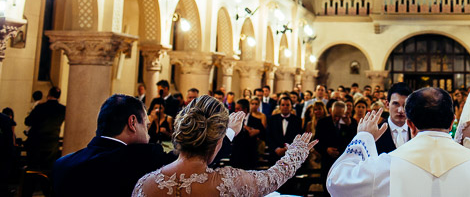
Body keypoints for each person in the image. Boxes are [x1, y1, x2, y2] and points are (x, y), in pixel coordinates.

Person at [327, 89, 470, 196]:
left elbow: (337, 183)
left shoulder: (386, 166)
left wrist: (363, 136)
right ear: (453, 121)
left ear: (410, 124)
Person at [52, 94, 238, 197]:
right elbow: (193, 163)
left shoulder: (62, 165)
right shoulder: (143, 158)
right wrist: (229, 133)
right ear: (133, 123)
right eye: (146, 126)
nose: (148, 135)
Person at [133, 95, 316, 196]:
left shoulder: (145, 184)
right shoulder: (227, 182)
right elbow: (273, 177)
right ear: (218, 140)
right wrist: (297, 153)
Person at [316, 101, 356, 189]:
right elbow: (317, 142)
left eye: (340, 116)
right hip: (327, 162)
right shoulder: (323, 122)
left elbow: (355, 142)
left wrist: (349, 126)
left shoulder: (351, 123)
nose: (337, 118)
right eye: (335, 115)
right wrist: (326, 149)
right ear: (331, 111)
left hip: (344, 163)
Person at [24, 86, 66, 169]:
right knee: (48, 168)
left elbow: (27, 121)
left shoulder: (40, 107)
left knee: (34, 167)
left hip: (36, 142)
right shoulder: (63, 109)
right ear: (59, 96)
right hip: (52, 144)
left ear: (48, 94)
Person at [376, 83, 411, 154]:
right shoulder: (376, 132)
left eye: (405, 105)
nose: (401, 110)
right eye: (396, 104)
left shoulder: (418, 132)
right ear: (387, 104)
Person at [230, 98, 263, 169]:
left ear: (245, 110)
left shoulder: (256, 121)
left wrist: (257, 131)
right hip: (236, 157)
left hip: (250, 156)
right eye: (235, 109)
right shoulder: (232, 121)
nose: (235, 111)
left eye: (238, 109)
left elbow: (264, 135)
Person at [268, 94, 301, 160]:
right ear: (279, 106)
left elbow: (298, 137)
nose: (285, 107)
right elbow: (268, 136)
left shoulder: (297, 120)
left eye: (287, 105)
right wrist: (276, 149)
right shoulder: (272, 119)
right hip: (275, 154)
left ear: (291, 106)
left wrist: (286, 149)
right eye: (283, 105)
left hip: (291, 155)